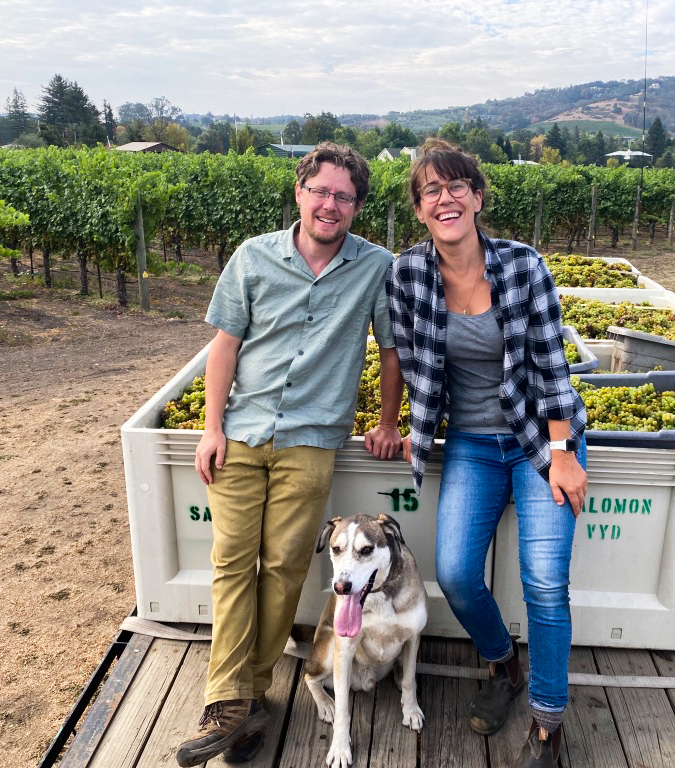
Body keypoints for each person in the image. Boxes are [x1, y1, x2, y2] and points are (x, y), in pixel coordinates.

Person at [176, 142, 404, 768]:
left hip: (311, 438)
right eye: (321, 191)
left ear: (357, 206)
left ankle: (242, 699)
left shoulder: (375, 267)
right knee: (230, 563)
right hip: (243, 432)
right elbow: (225, 346)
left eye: (345, 196)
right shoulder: (253, 257)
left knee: (281, 569)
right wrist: (211, 426)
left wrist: (388, 421)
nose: (331, 204)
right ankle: (232, 700)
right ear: (300, 192)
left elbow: (391, 351)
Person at [387, 138, 587, 768]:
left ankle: (548, 728)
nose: (444, 199)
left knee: (546, 586)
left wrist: (562, 453)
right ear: (420, 210)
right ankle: (503, 666)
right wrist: (390, 423)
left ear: (476, 196)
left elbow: (554, 372)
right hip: (472, 443)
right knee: (456, 576)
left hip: (539, 439)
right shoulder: (408, 273)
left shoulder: (523, 266)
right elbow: (397, 355)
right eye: (430, 191)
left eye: (455, 187)